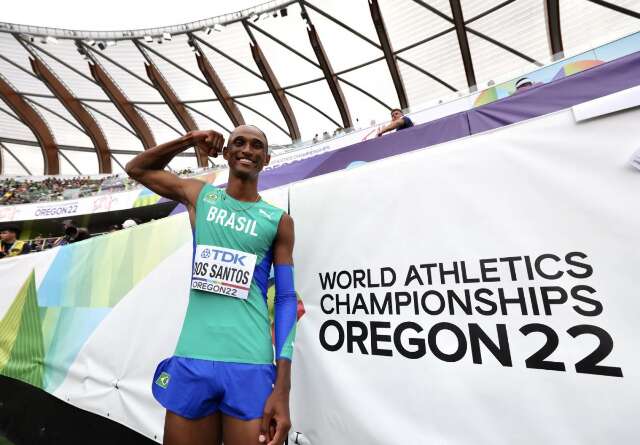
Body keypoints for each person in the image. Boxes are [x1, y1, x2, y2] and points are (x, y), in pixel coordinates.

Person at [125, 126, 297, 445]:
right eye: (239, 143)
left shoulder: (278, 220)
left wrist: (283, 387)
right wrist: (189, 140)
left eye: (256, 145)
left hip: (251, 365)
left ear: (266, 159)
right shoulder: (200, 196)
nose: (247, 149)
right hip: (193, 359)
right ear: (227, 153)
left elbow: (286, 299)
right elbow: (137, 168)